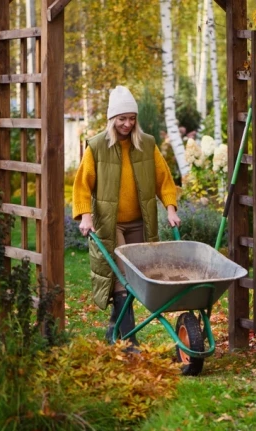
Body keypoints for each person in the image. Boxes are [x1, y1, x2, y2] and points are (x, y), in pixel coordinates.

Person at [73, 85, 181, 345]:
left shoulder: (146, 145)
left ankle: (115, 330)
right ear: (112, 119)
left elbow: (164, 179)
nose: (127, 123)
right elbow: (82, 185)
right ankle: (130, 343)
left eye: (131, 118)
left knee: (134, 279)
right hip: (112, 226)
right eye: (122, 119)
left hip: (139, 222)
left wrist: (170, 208)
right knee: (123, 278)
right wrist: (85, 216)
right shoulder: (97, 147)